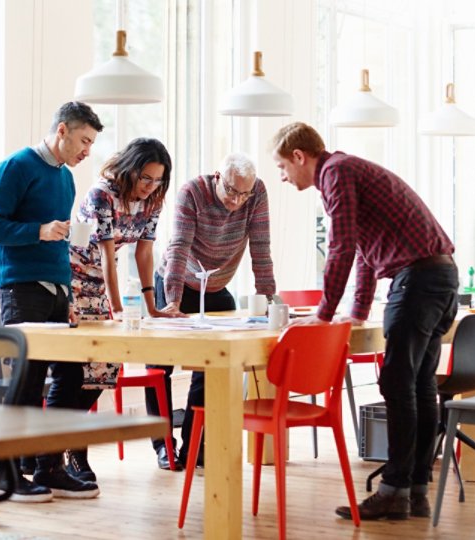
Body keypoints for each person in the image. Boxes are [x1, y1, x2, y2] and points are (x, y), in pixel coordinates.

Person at [270, 122, 458, 521]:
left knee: (397, 382)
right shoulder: (348, 170)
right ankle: (415, 491)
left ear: (300, 156)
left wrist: (323, 315)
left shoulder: (336, 173)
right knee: (420, 383)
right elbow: (364, 249)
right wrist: (355, 311)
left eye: (283, 167)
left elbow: (340, 246)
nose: (283, 178)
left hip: (418, 281)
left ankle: (393, 490)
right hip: (441, 276)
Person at [0, 101, 103, 502]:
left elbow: (58, 237)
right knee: (27, 382)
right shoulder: (17, 166)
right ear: (62, 130)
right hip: (22, 290)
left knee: (67, 378)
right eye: (84, 140)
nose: (87, 151)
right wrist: (40, 230)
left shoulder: (65, 179)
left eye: (92, 144)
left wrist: (68, 290)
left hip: (58, 291)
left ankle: (50, 466)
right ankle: (8, 474)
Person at [146, 153, 276, 470]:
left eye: (243, 194)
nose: (236, 200)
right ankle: (164, 446)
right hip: (178, 280)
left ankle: (195, 445)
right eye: (231, 191)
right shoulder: (192, 193)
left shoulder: (256, 193)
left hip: (216, 287)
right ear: (218, 177)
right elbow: (178, 247)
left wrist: (269, 301)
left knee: (211, 365)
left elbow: (261, 248)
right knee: (159, 367)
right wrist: (172, 301)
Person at [63, 137, 176, 482]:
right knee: (80, 373)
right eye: (146, 178)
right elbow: (108, 255)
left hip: (103, 283)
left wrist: (152, 306)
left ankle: (62, 440)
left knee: (105, 370)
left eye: (158, 180)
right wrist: (115, 307)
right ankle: (72, 451)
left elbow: (143, 253)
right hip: (76, 280)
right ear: (130, 170)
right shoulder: (102, 194)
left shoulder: (153, 200)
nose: (151, 186)